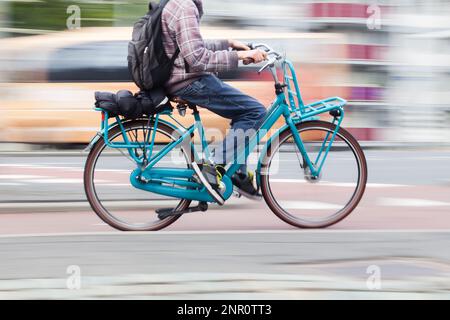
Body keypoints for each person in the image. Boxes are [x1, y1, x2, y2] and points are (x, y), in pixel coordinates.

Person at [161, 0, 268, 200]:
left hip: (183, 77)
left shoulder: (177, 4)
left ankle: (239, 172)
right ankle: (214, 166)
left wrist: (227, 44)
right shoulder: (185, 6)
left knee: (242, 112)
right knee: (254, 111)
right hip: (189, 81)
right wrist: (240, 55)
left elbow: (189, 48)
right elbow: (197, 59)